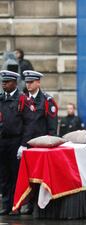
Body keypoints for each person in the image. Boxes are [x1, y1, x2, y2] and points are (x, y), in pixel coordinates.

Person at [18, 70, 58, 215]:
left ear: (38, 83)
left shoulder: (47, 101)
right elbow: (21, 124)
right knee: (25, 176)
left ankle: (38, 206)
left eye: (31, 82)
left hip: (41, 146)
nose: (28, 85)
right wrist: (21, 144)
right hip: (26, 145)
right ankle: (27, 203)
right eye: (27, 82)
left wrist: (51, 145)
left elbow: (52, 126)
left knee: (40, 176)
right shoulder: (22, 100)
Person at [0, 70, 27, 216]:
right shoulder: (0, 99)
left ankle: (16, 206)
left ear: (15, 83)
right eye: (3, 82)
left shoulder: (22, 99)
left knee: (15, 175)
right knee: (4, 176)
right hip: (3, 141)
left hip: (16, 141)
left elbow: (28, 124)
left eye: (7, 81)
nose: (4, 84)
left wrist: (23, 144)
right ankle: (6, 205)